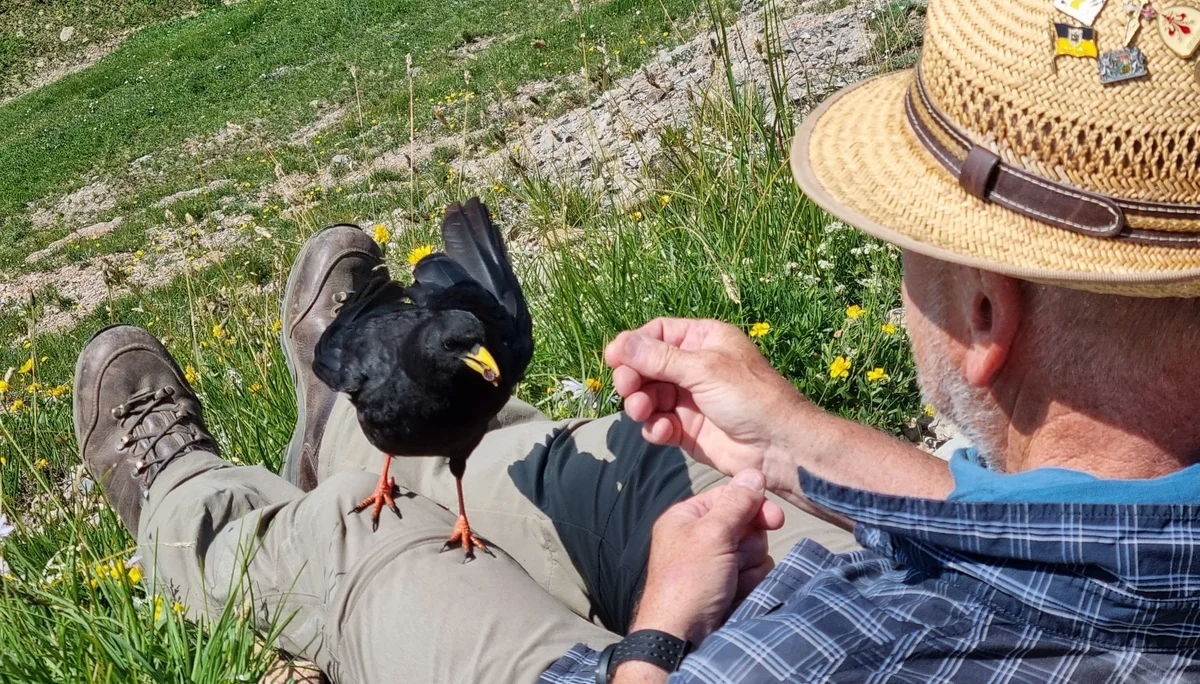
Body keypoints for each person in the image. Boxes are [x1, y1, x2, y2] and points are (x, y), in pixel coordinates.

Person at [74, 0, 1200, 681]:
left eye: (913, 247)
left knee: (379, 560)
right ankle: (366, 427)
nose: (904, 277)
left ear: (986, 316)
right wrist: (803, 443)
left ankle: (187, 508)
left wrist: (655, 641)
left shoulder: (845, 653)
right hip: (989, 570)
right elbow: (1076, 531)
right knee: (593, 466)